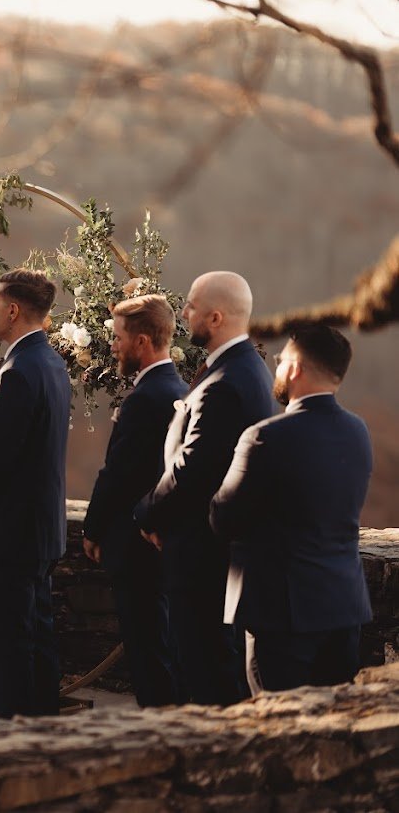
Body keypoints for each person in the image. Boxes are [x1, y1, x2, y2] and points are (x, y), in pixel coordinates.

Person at [134, 271, 274, 706]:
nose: (183, 312)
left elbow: (193, 469)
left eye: (191, 306)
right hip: (207, 551)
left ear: (215, 317)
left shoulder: (226, 383)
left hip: (203, 557)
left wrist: (147, 514)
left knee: (204, 678)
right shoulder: (239, 369)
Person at [211, 324, 372, 693]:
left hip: (282, 615)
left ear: (295, 368)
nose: (278, 368)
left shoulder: (265, 436)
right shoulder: (358, 431)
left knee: (276, 729)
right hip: (343, 607)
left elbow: (224, 518)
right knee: (334, 730)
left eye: (281, 360)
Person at [0, 268, 69, 718]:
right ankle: (43, 727)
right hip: (40, 528)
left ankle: (15, 734)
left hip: (14, 529)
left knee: (11, 644)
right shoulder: (51, 362)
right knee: (37, 637)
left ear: (14, 310)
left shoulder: (19, 371)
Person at [81, 295, 184, 707]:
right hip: (160, 539)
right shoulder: (177, 387)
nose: (113, 346)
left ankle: (157, 731)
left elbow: (119, 475)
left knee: (147, 649)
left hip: (136, 544)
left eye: (118, 337)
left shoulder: (146, 398)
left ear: (142, 342)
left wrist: (92, 528)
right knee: (160, 643)